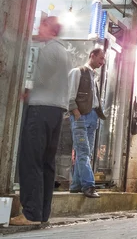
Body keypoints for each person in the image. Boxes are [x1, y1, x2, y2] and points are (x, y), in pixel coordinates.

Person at [11, 16, 71, 226]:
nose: (38, 29)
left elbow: (40, 78)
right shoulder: (65, 52)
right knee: (46, 164)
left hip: (40, 109)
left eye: (42, 26)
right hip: (56, 112)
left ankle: (30, 214)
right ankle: (42, 214)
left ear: (51, 29)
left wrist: (27, 91)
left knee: (31, 161)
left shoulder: (49, 51)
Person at [68, 48, 107, 198]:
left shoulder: (94, 76)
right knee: (83, 151)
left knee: (84, 152)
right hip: (81, 116)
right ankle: (88, 185)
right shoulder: (78, 72)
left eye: (104, 60)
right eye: (101, 58)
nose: (102, 62)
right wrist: (76, 112)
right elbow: (70, 95)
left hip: (92, 117)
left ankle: (76, 185)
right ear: (92, 55)